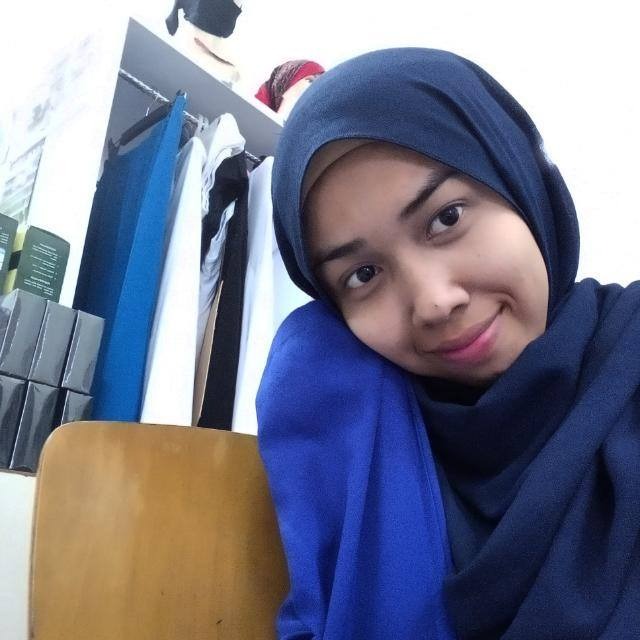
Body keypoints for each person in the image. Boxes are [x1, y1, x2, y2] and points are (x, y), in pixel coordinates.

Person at [257, 48, 640, 640]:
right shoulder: (357, 450)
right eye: (362, 275)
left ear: (520, 180)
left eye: (447, 218)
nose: (434, 302)